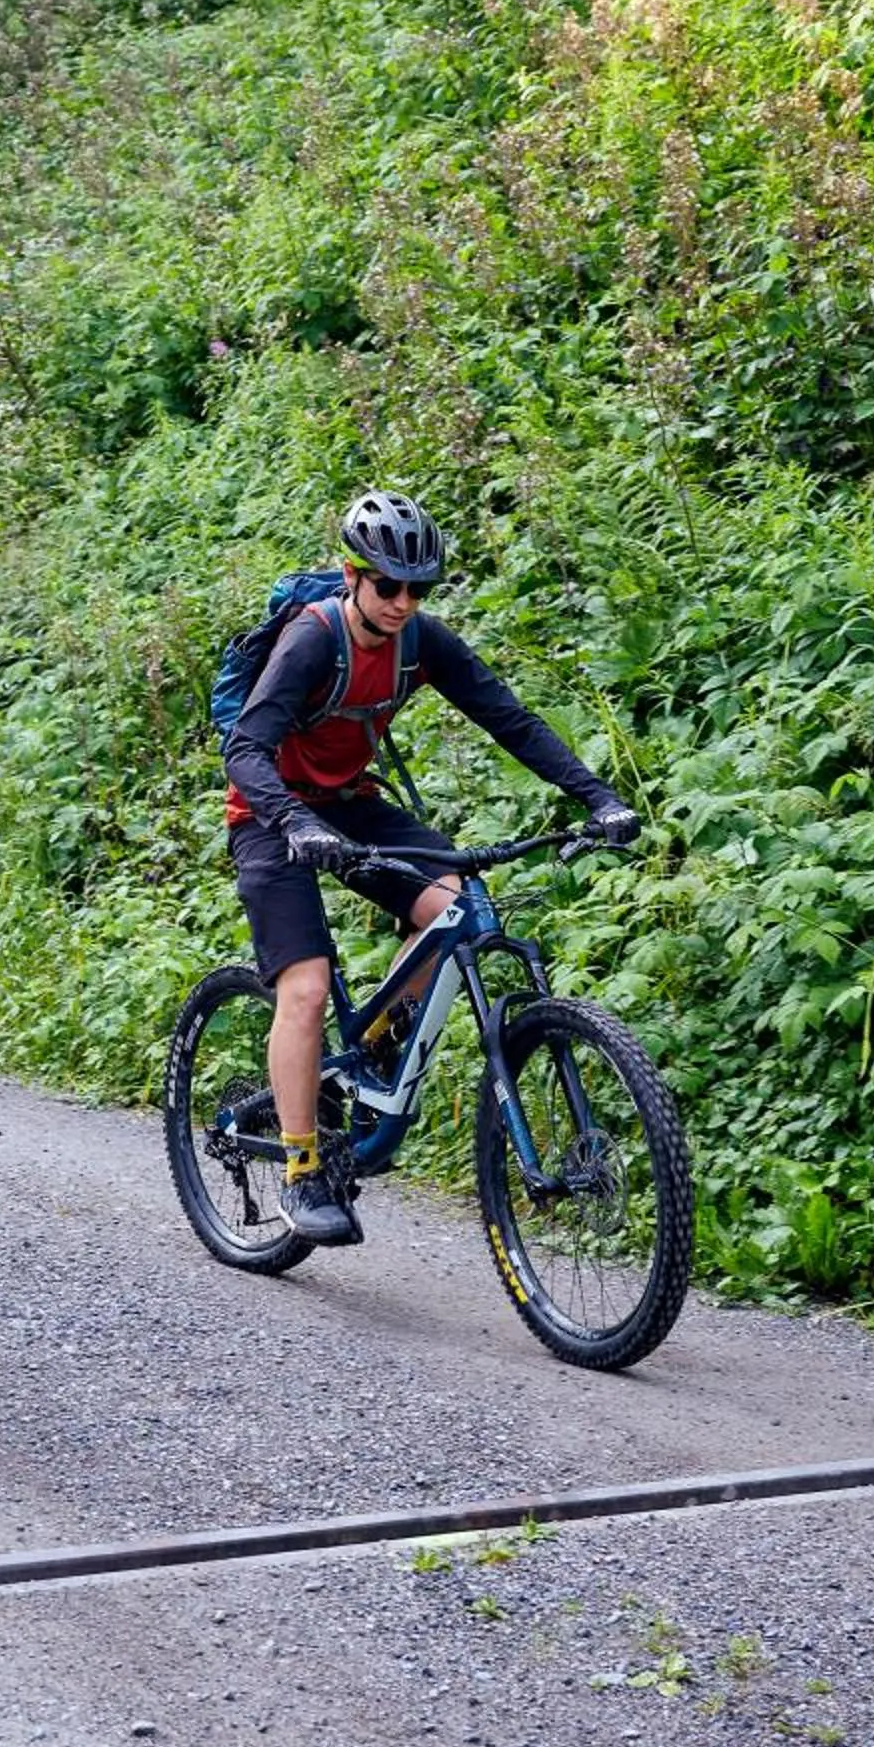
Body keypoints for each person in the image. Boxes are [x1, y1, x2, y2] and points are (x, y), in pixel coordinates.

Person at [222, 489, 639, 1246]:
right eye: (388, 586)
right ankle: (301, 1166)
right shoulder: (314, 641)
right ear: (353, 576)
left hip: (350, 802)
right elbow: (245, 749)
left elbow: (508, 718)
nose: (404, 602)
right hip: (270, 812)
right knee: (307, 988)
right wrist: (295, 822)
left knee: (459, 906)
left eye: (419, 589)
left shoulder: (421, 641)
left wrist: (598, 796)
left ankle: (375, 1044)